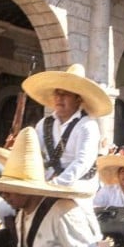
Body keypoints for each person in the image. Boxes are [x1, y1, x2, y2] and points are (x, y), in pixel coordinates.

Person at [23, 64, 112, 206]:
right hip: (47, 182)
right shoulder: (43, 124)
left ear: (78, 99)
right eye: (57, 93)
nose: (59, 98)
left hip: (78, 185)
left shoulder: (87, 126)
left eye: (66, 94)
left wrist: (55, 185)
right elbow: (34, 153)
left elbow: (82, 162)